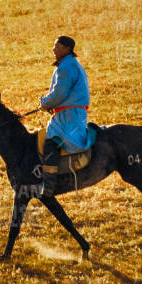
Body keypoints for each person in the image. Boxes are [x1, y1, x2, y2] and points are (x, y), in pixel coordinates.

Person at [37, 35, 91, 180]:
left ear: (67, 49)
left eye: (57, 46)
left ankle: (49, 183)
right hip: (72, 112)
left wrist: (44, 103)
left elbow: (59, 93)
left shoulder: (67, 66)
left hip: (69, 115)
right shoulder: (71, 64)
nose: (53, 49)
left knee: (51, 141)